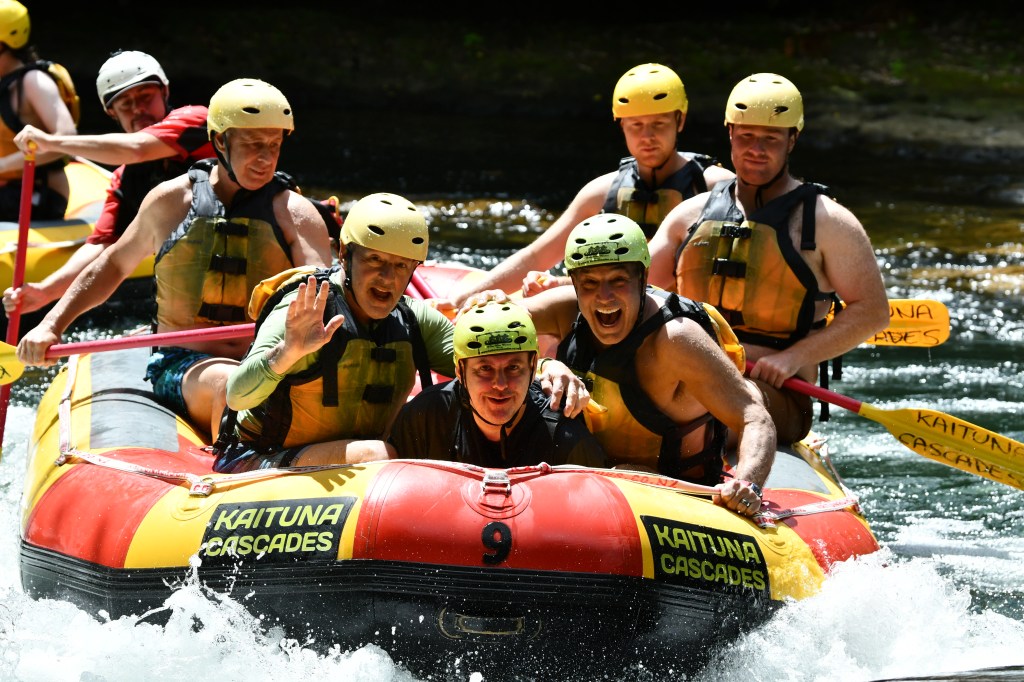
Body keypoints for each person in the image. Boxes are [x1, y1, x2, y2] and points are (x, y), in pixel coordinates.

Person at [16, 77, 333, 439]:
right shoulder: (171, 201)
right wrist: (51, 325)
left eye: (273, 145)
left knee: (258, 382)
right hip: (182, 363)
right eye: (252, 144)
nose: (265, 159)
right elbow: (113, 265)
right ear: (220, 142)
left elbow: (323, 290)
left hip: (272, 360)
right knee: (231, 383)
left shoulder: (296, 213)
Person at [213, 192, 590, 473]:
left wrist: (545, 367)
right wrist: (287, 353)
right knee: (379, 454)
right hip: (259, 462)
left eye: (400, 266)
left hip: (352, 464)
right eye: (375, 260)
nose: (386, 278)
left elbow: (483, 361)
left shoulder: (413, 319)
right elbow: (236, 395)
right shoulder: (307, 308)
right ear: (345, 255)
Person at [463, 214, 775, 517]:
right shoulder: (565, 309)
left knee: (629, 469)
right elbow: (484, 329)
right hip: (594, 474)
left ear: (643, 278)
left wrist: (747, 485)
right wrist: (542, 360)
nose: (604, 297)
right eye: (590, 283)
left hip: (676, 491)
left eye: (618, 280)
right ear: (574, 283)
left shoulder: (676, 339)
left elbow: (754, 416)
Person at [647, 73, 889, 444]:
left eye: (771, 138)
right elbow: (635, 288)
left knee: (706, 412)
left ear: (792, 139)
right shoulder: (689, 215)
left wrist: (794, 357)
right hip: (688, 377)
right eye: (746, 136)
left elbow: (873, 311)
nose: (756, 149)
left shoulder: (828, 223)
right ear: (730, 133)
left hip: (777, 392)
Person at [444, 63, 734, 308]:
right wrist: (460, 300)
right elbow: (537, 255)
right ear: (621, 125)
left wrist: (561, 286)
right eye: (636, 125)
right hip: (611, 311)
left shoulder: (715, 188)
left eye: (659, 124)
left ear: (680, 121)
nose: (647, 136)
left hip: (681, 318)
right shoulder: (601, 192)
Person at [3, 50, 214, 316]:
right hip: (198, 282)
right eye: (125, 104)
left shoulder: (195, 120)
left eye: (145, 97)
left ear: (165, 92)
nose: (138, 109)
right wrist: (45, 291)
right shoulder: (124, 178)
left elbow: (138, 148)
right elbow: (100, 247)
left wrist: (52, 142)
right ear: (111, 112)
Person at [388, 299, 607, 468]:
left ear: (533, 368)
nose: (500, 384)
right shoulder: (426, 418)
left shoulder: (564, 436)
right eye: (485, 369)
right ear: (460, 372)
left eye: (513, 368)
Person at [0, 0, 78, 221]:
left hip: (41, 193)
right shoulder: (3, 82)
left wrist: (3, 166)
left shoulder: (34, 81)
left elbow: (67, 137)